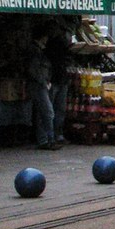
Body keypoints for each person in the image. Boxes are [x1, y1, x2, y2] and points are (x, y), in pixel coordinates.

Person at [25, 21, 58, 150]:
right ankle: (50, 139)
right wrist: (44, 81)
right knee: (48, 112)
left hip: (41, 83)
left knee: (41, 113)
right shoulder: (35, 51)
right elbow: (34, 70)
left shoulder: (38, 50)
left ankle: (43, 140)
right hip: (39, 85)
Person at [46, 17, 76, 145]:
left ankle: (56, 135)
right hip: (55, 79)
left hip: (60, 79)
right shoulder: (52, 45)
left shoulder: (57, 45)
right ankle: (53, 135)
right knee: (52, 109)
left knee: (57, 109)